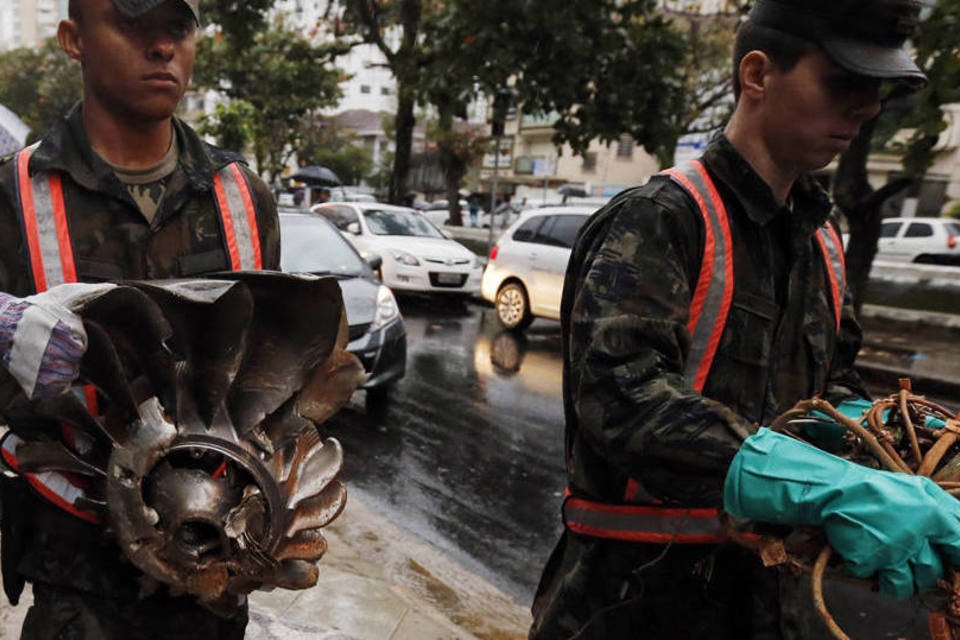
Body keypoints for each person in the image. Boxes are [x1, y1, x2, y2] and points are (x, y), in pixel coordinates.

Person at [529, 1, 949, 638]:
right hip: (631, 603)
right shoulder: (661, 219)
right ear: (758, 74)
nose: (866, 108)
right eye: (844, 82)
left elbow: (829, 390)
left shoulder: (820, 243)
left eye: (876, 90)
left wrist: (878, 436)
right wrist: (824, 488)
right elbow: (623, 399)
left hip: (770, 608)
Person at [0, 0, 278, 637]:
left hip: (214, 573)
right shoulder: (13, 196)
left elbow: (266, 378)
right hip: (78, 583)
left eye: (177, 27)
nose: (162, 47)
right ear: (74, 39)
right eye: (132, 24)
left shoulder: (241, 195)